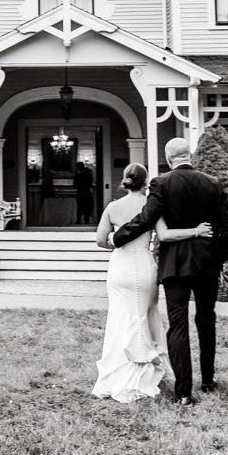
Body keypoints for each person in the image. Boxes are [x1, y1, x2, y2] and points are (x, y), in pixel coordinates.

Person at [111, 136, 228, 403]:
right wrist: (217, 257)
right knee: (206, 320)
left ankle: (184, 394)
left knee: (177, 325)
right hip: (206, 263)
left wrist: (118, 237)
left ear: (169, 159)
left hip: (175, 264)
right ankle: (209, 381)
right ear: (189, 154)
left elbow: (147, 218)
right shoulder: (213, 183)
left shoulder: (161, 183)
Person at [89, 163, 168, 403]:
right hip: (143, 265)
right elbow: (163, 235)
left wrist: (117, 242)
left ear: (125, 181)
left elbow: (100, 240)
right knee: (143, 315)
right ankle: (141, 375)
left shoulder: (113, 207)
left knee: (119, 318)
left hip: (119, 267)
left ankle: (116, 373)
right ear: (145, 183)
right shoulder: (151, 206)